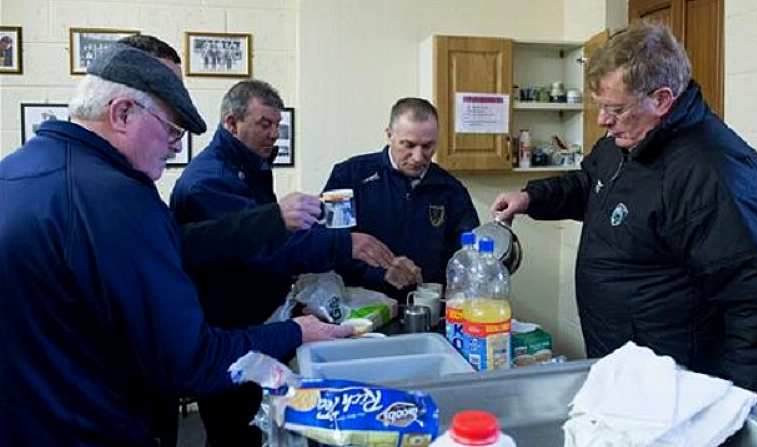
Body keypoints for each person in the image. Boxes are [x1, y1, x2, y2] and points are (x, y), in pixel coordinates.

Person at [0, 43, 353, 446]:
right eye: (171, 129)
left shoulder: (14, 171)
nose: (175, 146)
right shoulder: (118, 198)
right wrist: (295, 331)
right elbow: (190, 360)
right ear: (122, 113)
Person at [490, 22, 757, 413]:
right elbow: (591, 183)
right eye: (600, 107)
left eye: (614, 109)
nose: (602, 120)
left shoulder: (713, 173)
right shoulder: (629, 139)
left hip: (677, 391)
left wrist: (741, 418)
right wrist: (531, 197)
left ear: (662, 99)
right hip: (625, 372)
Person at [169, 79, 402, 446]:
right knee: (235, 430)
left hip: (258, 320)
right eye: (264, 124)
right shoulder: (210, 182)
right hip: (229, 331)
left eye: (277, 125)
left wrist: (292, 297)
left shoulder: (248, 166)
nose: (273, 134)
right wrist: (343, 244)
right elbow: (267, 247)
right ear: (231, 123)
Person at [324, 97, 480, 297]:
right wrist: (379, 273)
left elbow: (468, 252)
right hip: (360, 305)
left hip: (427, 304)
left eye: (427, 146)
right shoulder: (349, 176)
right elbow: (329, 244)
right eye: (408, 145)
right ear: (389, 135)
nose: (418, 157)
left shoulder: (450, 189)